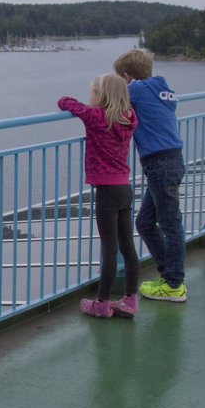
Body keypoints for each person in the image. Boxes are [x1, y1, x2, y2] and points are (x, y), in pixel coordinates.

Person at [58, 74, 140, 318]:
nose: (89, 98)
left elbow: (65, 102)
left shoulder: (96, 117)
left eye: (93, 93)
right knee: (127, 245)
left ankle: (102, 303)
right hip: (125, 188)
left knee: (109, 248)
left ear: (100, 97)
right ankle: (130, 300)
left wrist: (81, 103)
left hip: (106, 191)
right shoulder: (129, 118)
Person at [113, 48, 188, 302]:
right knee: (145, 222)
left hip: (159, 164)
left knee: (170, 225)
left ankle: (174, 284)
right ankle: (169, 275)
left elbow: (110, 103)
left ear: (127, 76)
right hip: (171, 159)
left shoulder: (137, 89)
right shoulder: (162, 88)